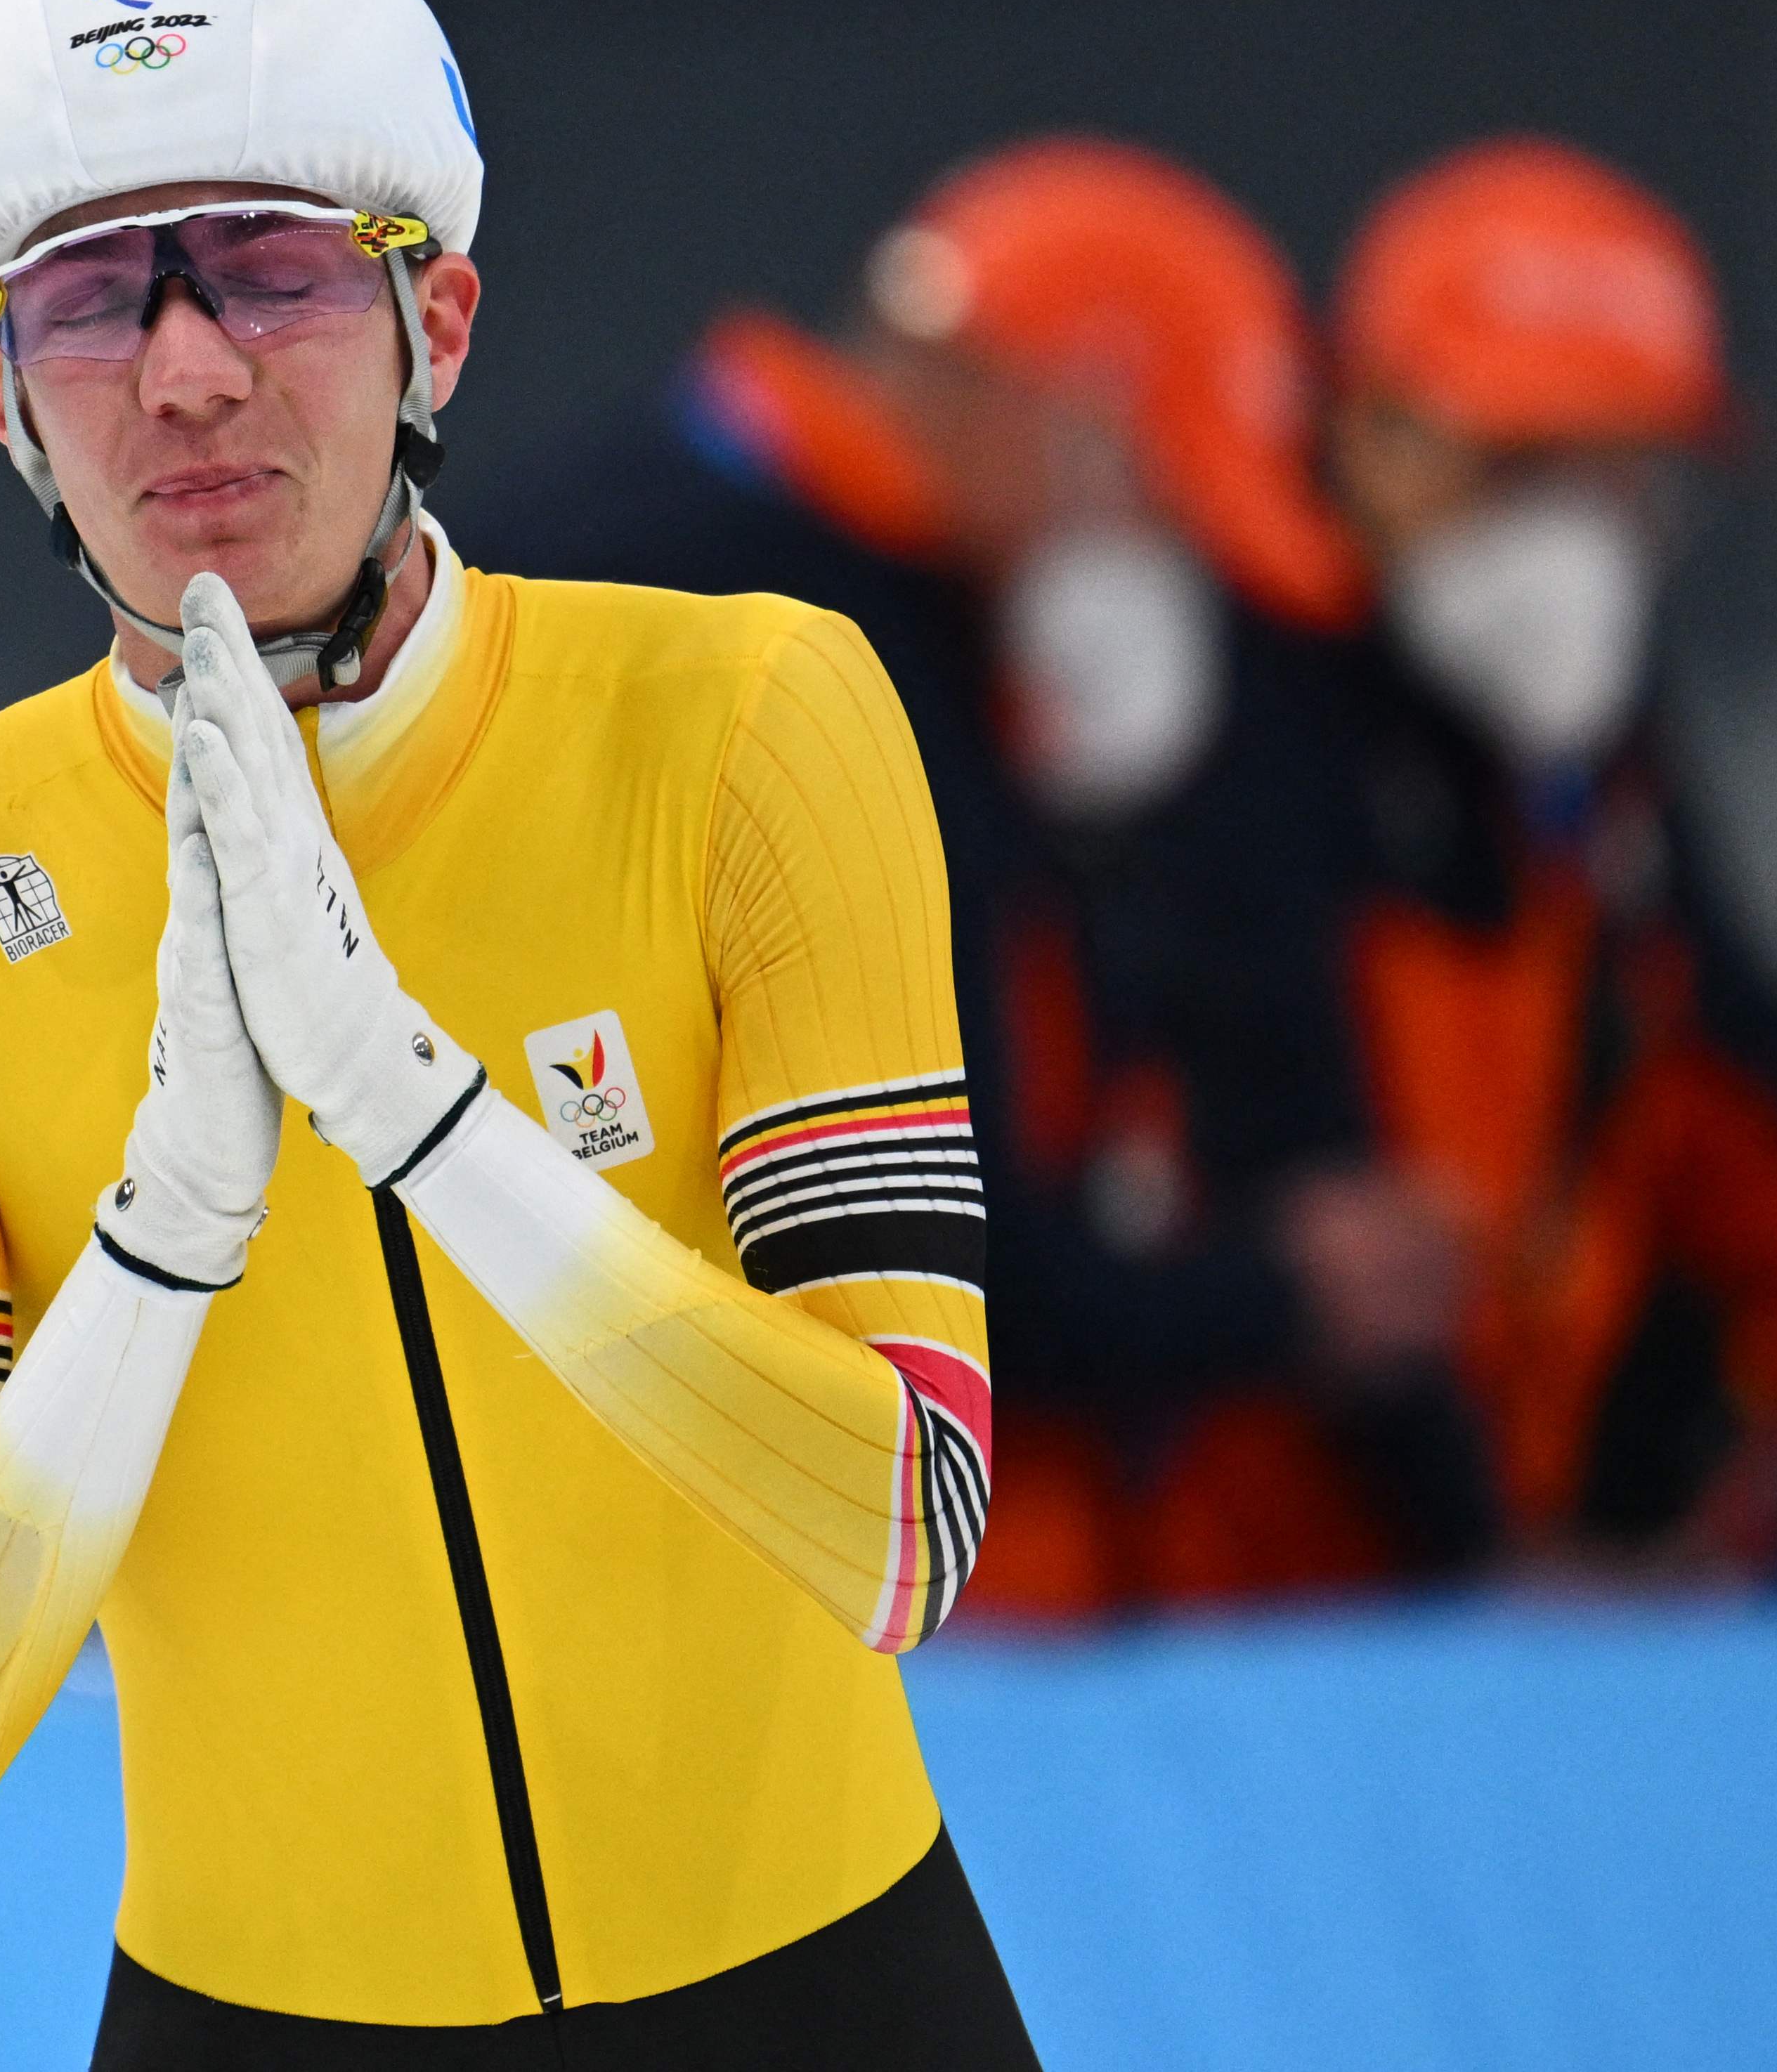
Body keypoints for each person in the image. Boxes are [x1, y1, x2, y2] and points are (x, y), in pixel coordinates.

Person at [0, 0, 1036, 2064]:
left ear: (433, 317)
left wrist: (430, 1121)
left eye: (261, 266)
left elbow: (910, 1520)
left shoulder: (742, 719)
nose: (183, 370)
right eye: (84, 301)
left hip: (827, 1986)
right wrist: (158, 1242)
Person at [469, 140, 1502, 1610]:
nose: (1153, 566)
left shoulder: (622, 520)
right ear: (1066, 413)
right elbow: (895, 1240)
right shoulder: (824, 653)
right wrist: (1277, 1297)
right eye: (1161, 504)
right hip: (645, 1555)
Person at [1311, 138, 1777, 1577]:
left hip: (1498, 1607)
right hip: (1243, 1644)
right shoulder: (1242, 755)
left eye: (1627, 486)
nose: (1580, 548)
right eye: (1528, 469)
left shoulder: (1598, 779)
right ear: (1368, 436)